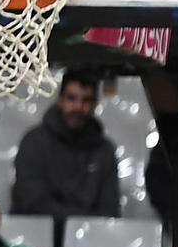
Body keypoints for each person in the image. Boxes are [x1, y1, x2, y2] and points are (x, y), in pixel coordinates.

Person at [11, 71, 121, 233]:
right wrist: (81, 219)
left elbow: (109, 211)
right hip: (35, 235)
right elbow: (32, 203)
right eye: (71, 98)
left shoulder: (104, 151)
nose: (78, 107)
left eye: (86, 100)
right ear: (60, 100)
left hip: (89, 238)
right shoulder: (34, 142)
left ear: (94, 104)